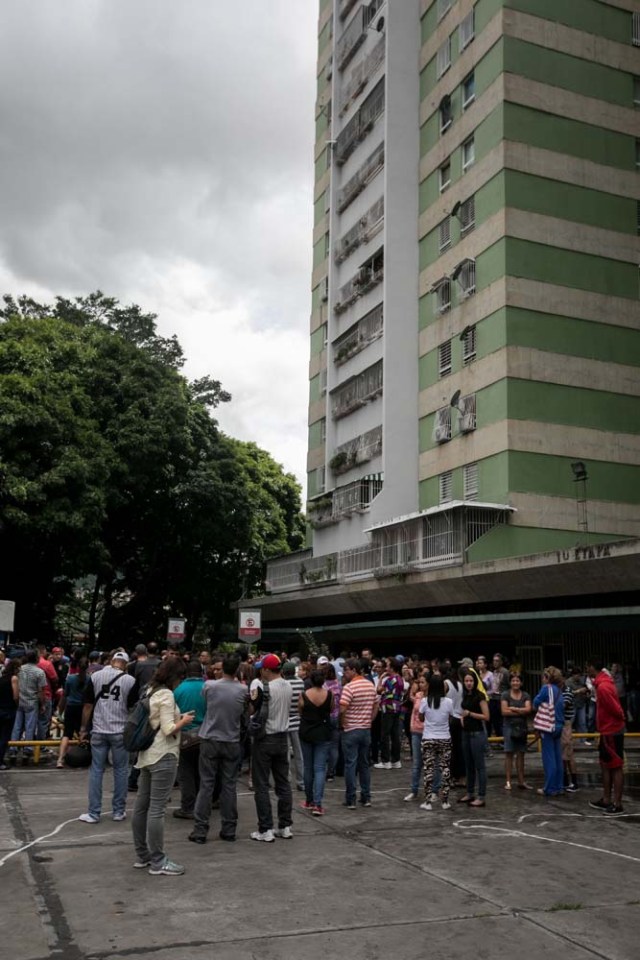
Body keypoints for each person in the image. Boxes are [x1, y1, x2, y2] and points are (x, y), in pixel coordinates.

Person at [132, 657, 194, 875]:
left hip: (147, 754)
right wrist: (184, 721)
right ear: (175, 676)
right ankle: (158, 861)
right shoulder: (166, 694)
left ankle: (143, 855)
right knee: (157, 809)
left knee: (142, 806)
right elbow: (168, 729)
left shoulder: (149, 690)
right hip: (164, 755)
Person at [189, 655, 249, 844]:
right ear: (237, 669)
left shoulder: (210, 686)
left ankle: (200, 830)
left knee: (206, 784)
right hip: (231, 739)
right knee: (229, 785)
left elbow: (206, 704)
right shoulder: (243, 690)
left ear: (222, 669)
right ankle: (229, 828)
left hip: (210, 737)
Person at [79, 651, 138, 824]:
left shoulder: (96, 676)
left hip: (99, 728)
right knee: (121, 770)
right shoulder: (130, 680)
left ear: (111, 661)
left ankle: (94, 812)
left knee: (96, 770)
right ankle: (119, 811)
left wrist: (83, 727)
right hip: (120, 730)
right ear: (125, 664)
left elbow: (88, 705)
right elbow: (132, 706)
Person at [249, 654, 294, 842]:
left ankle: (265, 829)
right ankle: (285, 826)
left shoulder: (262, 687)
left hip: (265, 738)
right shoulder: (289, 686)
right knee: (283, 784)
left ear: (267, 669)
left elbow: (253, 710)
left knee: (261, 785)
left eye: (262, 668)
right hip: (283, 738)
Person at [587, 659, 626, 815]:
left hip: (612, 730)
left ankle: (617, 803)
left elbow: (616, 708)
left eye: (588, 667)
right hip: (606, 729)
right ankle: (606, 799)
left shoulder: (603, 687)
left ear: (592, 667)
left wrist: (620, 719)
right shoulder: (602, 684)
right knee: (605, 763)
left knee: (615, 765)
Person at [340, 658, 378, 809]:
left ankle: (351, 799)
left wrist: (343, 722)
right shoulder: (370, 685)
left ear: (354, 670)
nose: (344, 673)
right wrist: (370, 719)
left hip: (350, 730)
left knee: (350, 765)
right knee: (364, 765)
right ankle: (366, 797)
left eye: (346, 670)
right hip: (365, 729)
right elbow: (376, 704)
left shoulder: (349, 687)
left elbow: (342, 708)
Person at [172, 660, 206, 818]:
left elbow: (173, 714)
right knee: (202, 772)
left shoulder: (178, 690)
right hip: (204, 736)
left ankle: (188, 807)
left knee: (186, 773)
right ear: (202, 672)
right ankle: (202, 804)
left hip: (184, 737)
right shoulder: (207, 687)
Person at [298, 669, 333, 815]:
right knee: (320, 769)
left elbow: (300, 710)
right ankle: (318, 805)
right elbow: (331, 709)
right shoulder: (329, 695)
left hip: (307, 732)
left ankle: (309, 800)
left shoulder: (304, 695)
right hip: (323, 732)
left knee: (308, 767)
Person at [419, 674, 454, 811]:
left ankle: (428, 802)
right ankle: (445, 801)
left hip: (428, 738)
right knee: (445, 769)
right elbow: (450, 718)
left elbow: (421, 718)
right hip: (445, 738)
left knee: (429, 770)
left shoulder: (424, 701)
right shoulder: (449, 702)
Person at [533, 666, 565, 798]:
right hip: (559, 726)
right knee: (558, 758)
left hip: (548, 726)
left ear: (547, 678)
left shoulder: (546, 689)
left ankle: (549, 788)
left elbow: (536, 702)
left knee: (549, 759)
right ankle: (559, 786)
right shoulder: (559, 690)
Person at [459, 669, 490, 807]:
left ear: (475, 681)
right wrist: (462, 717)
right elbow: (463, 711)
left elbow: (486, 716)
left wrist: (470, 714)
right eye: (466, 681)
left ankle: (481, 796)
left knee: (480, 766)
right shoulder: (465, 695)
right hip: (466, 732)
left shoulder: (480, 696)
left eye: (471, 681)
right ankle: (470, 792)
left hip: (477, 733)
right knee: (468, 765)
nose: (469, 683)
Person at [9, 650, 46, 759]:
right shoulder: (40, 672)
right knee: (30, 726)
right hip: (32, 702)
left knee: (17, 726)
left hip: (19, 701)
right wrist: (42, 704)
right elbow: (40, 691)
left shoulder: (19, 670)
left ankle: (13, 749)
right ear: (36, 658)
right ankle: (27, 749)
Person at [500, 673, 532, 790]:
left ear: (521, 683)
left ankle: (521, 781)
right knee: (509, 753)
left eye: (517, 681)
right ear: (510, 682)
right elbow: (504, 711)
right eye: (513, 681)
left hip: (522, 727)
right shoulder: (505, 695)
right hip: (509, 726)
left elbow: (528, 710)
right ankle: (508, 781)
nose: (515, 683)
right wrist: (520, 711)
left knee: (521, 754)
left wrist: (514, 709)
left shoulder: (526, 695)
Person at [56, 656, 89, 768]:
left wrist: (60, 710)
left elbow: (64, 696)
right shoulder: (90, 680)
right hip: (83, 708)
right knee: (82, 732)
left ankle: (60, 759)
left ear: (77, 667)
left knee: (66, 734)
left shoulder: (70, 679)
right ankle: (82, 757)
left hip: (70, 707)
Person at [375, 657, 405, 770]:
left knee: (385, 735)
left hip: (388, 709)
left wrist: (381, 678)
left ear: (392, 667)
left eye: (387, 665)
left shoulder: (391, 679)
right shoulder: (399, 678)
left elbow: (378, 690)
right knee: (394, 734)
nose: (385, 668)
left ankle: (386, 760)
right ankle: (396, 760)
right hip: (396, 708)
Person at [282, 660, 305, 792]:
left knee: (286, 753)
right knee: (299, 753)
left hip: (285, 721)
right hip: (297, 720)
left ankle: (287, 779)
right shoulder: (300, 682)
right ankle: (301, 781)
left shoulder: (284, 683)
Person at [404, 674, 427, 801]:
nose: (420, 685)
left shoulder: (433, 698)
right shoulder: (418, 696)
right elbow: (414, 712)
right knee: (416, 764)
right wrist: (412, 727)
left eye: (423, 682)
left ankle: (433, 791)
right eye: (420, 682)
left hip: (428, 732)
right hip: (416, 732)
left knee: (431, 764)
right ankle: (414, 791)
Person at [443, 667, 465, 787]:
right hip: (460, 718)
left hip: (450, 719)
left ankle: (450, 777)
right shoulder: (461, 685)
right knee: (459, 749)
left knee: (450, 750)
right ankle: (461, 776)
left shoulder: (446, 683)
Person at [36, 644, 59, 742]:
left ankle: (27, 743)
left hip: (31, 695)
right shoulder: (47, 664)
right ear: (43, 651)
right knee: (43, 720)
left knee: (31, 720)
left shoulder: (31, 663)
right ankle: (41, 743)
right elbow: (55, 679)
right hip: (46, 693)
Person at [323, 663, 342, 781]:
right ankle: (331, 772)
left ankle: (323, 770)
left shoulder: (323, 686)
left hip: (326, 717)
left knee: (324, 745)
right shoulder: (339, 685)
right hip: (337, 716)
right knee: (334, 746)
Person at [560, 674, 579, 793]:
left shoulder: (566, 691)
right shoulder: (558, 691)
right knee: (563, 755)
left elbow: (563, 705)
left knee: (568, 754)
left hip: (565, 723)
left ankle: (574, 782)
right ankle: (565, 780)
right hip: (561, 723)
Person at [0, 658, 20, 769]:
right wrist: (17, 704)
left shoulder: (2, 679)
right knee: (4, 737)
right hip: (8, 710)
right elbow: (16, 696)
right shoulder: (14, 679)